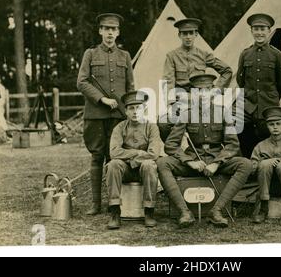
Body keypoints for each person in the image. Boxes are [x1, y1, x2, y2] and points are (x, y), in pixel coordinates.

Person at [157, 74, 253, 228]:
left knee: (246, 164)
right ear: (193, 93)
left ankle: (216, 211)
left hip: (216, 161)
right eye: (198, 90)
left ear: (213, 92)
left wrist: (217, 163)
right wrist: (189, 161)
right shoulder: (186, 114)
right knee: (162, 163)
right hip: (194, 162)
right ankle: (184, 212)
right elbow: (171, 145)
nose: (202, 94)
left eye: (206, 90)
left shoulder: (223, 112)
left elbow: (233, 145)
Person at [77, 13, 135, 216]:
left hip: (117, 117)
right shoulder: (90, 54)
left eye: (114, 29)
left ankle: (114, 204)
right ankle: (95, 204)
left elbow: (130, 87)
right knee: (96, 157)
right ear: (100, 31)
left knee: (114, 159)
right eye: (106, 29)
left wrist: (129, 110)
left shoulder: (125, 56)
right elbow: (82, 82)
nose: (110, 33)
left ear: (118, 32)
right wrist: (101, 99)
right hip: (95, 115)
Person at [159, 18, 233, 141]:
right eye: (184, 33)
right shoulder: (172, 56)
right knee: (164, 123)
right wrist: (172, 103)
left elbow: (227, 70)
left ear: (196, 34)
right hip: (181, 100)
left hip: (203, 100)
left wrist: (216, 90)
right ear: (179, 35)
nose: (188, 37)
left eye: (191, 33)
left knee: (222, 121)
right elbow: (168, 81)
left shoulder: (203, 54)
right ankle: (176, 153)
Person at [105, 91, 162, 229]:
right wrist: (137, 153)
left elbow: (154, 153)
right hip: (125, 170)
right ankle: (115, 211)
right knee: (113, 164)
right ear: (126, 111)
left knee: (149, 165)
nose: (135, 112)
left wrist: (133, 160)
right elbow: (114, 152)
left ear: (145, 109)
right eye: (131, 108)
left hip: (144, 171)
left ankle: (149, 211)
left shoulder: (152, 127)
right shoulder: (119, 128)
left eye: (139, 107)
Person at [236, 13, 281, 158]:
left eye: (263, 29)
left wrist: (271, 96)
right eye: (256, 29)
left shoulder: (276, 55)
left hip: (269, 105)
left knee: (268, 139)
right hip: (249, 105)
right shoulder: (245, 54)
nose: (259, 33)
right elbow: (240, 80)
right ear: (252, 31)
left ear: (268, 31)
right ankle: (249, 167)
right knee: (241, 133)